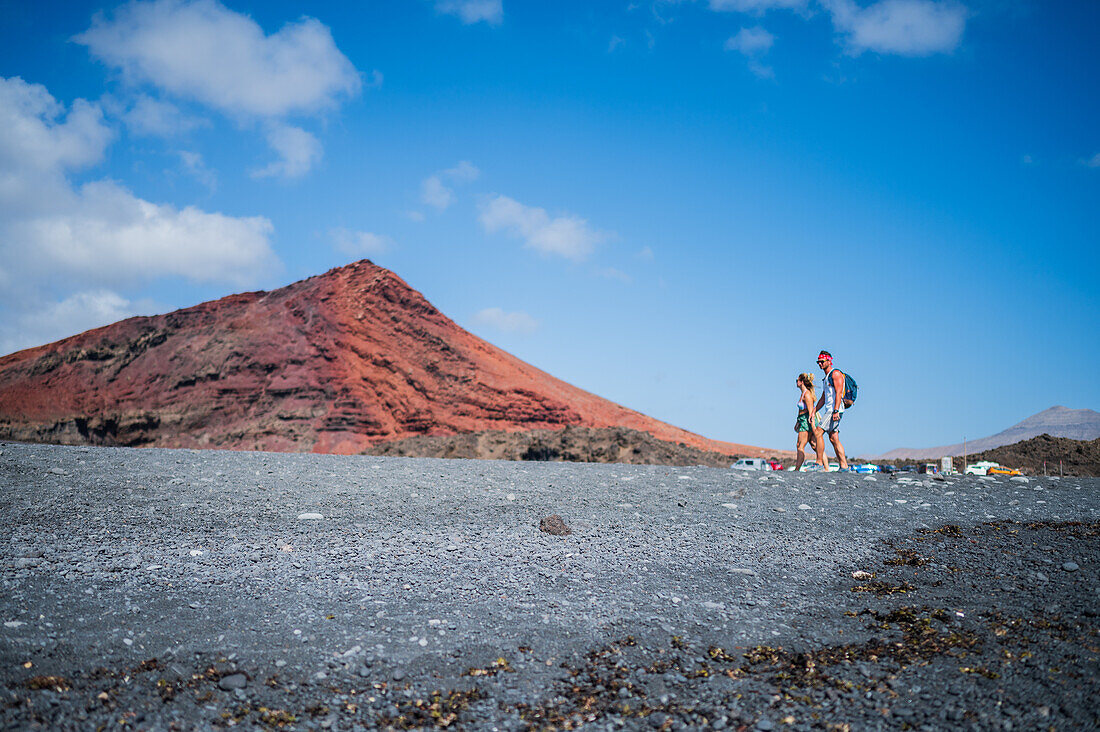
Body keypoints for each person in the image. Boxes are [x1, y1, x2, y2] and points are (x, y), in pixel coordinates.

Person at [814, 350, 849, 471]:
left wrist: (835, 411)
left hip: (834, 410)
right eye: (818, 362)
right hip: (830, 409)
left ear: (829, 361)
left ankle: (818, 463)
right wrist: (814, 410)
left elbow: (839, 393)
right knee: (834, 438)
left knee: (818, 432)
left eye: (822, 362)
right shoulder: (826, 378)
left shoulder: (836, 374)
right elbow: (823, 398)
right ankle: (844, 466)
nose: (820, 364)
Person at [794, 372, 825, 471]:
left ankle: (797, 468)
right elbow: (801, 411)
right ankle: (826, 467)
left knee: (800, 445)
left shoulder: (807, 395)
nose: (796, 382)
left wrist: (813, 427)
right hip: (802, 420)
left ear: (801, 382)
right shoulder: (803, 394)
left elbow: (811, 412)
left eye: (797, 380)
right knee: (814, 445)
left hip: (807, 422)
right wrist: (797, 422)